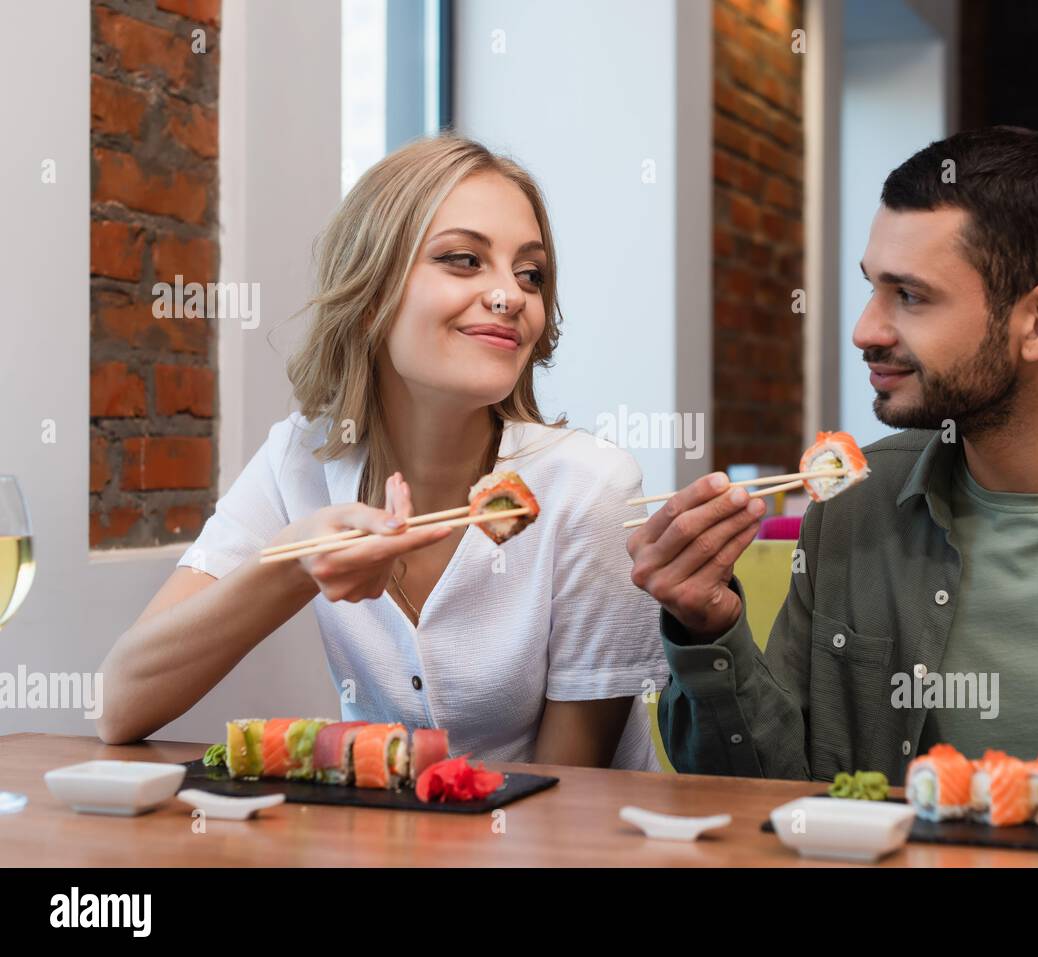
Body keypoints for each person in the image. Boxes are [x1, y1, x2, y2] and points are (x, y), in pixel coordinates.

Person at [629, 126, 1038, 807]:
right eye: (871, 288)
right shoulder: (853, 506)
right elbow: (770, 800)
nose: (865, 329)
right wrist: (708, 626)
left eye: (910, 296)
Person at [98, 135, 668, 770]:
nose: (511, 295)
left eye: (530, 273)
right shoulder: (299, 460)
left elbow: (567, 795)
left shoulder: (591, 488)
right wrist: (294, 563)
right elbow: (120, 705)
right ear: (371, 292)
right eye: (463, 260)